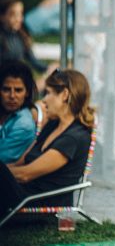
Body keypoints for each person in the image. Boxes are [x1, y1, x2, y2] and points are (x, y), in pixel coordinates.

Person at [0, 69, 94, 220]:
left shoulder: (74, 137)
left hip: (39, 202)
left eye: (48, 93)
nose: (44, 100)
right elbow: (19, 163)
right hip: (22, 194)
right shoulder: (52, 125)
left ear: (64, 95)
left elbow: (25, 174)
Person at [0, 61, 38, 164]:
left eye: (18, 90)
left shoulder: (24, 124)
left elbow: (2, 157)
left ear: (27, 93)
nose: (12, 96)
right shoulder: (5, 115)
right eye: (6, 89)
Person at [0, 0, 48, 73]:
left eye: (20, 14)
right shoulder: (2, 38)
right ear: (2, 17)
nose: (18, 19)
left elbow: (34, 62)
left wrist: (50, 68)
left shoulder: (21, 36)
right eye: (13, 15)